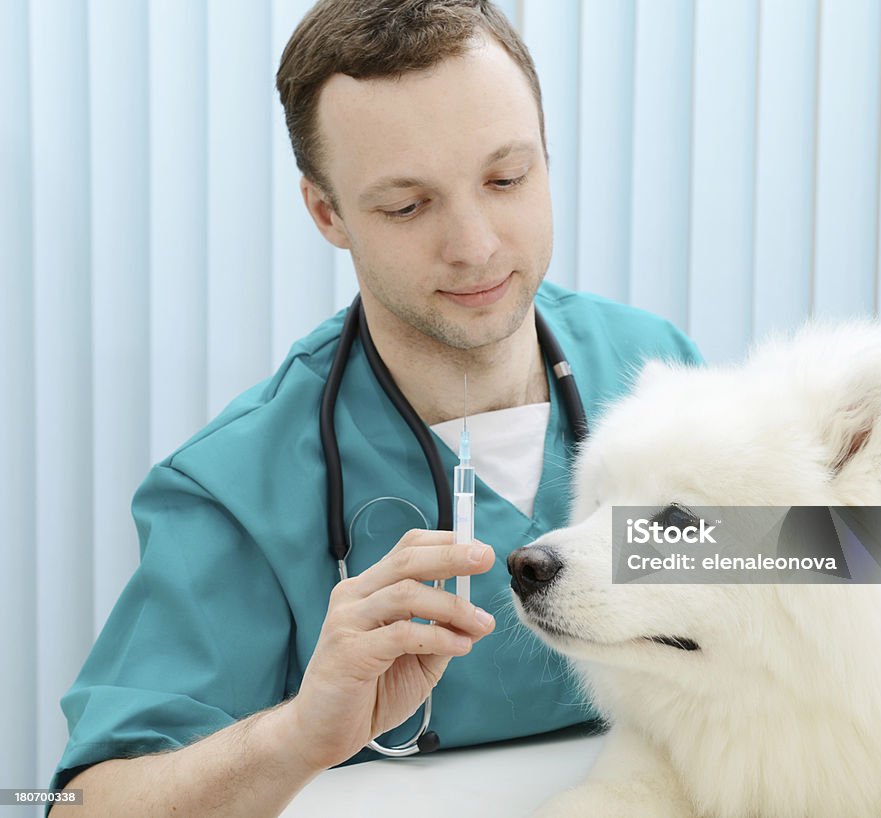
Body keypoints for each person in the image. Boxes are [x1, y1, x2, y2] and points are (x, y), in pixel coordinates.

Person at [49, 1, 702, 815]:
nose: (475, 244)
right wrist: (300, 734)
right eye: (406, 206)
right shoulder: (236, 488)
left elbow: (859, 562)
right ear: (327, 212)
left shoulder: (653, 370)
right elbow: (86, 803)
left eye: (507, 178)